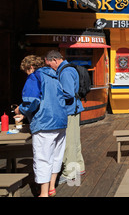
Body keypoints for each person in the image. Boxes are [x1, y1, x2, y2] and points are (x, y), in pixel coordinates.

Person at [14, 55, 67, 197]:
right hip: (60, 122)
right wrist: (25, 115)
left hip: (45, 123)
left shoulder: (34, 77)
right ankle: (51, 187)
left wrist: (20, 110)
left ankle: (43, 193)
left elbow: (31, 101)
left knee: (43, 158)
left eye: (26, 71)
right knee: (56, 156)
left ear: (30, 67)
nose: (26, 74)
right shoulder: (54, 76)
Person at [45, 50, 85, 185]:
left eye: (49, 64)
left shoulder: (66, 72)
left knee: (69, 143)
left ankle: (70, 174)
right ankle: (78, 167)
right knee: (74, 141)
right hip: (73, 109)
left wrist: (53, 95)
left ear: (55, 60)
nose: (50, 67)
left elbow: (68, 93)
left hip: (69, 111)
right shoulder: (66, 69)